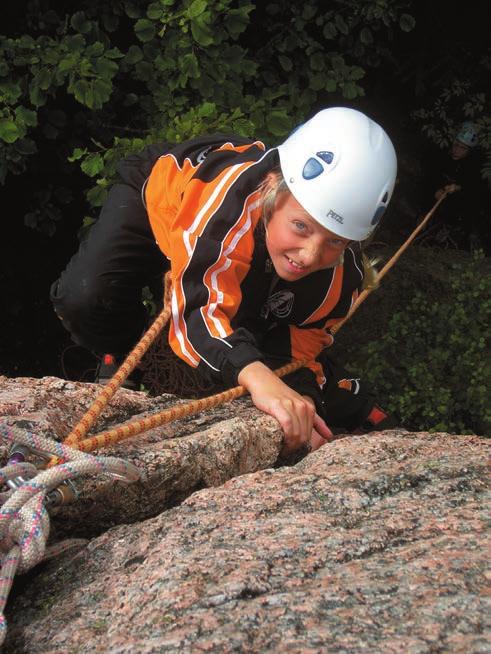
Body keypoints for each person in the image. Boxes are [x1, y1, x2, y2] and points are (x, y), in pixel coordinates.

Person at [50, 107, 398, 455]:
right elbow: (198, 310)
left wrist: (299, 394)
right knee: (85, 296)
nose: (309, 255)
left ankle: (334, 392)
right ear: (273, 187)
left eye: (335, 240)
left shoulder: (340, 277)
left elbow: (301, 342)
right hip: (162, 196)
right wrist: (256, 375)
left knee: (253, 321)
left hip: (237, 233)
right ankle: (119, 348)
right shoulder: (229, 210)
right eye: (301, 227)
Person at [428, 121, 489, 250]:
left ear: (470, 150)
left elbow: (476, 187)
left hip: (461, 206)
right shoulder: (442, 156)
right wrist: (436, 190)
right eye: (456, 145)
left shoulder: (474, 164)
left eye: (463, 148)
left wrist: (458, 187)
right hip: (440, 200)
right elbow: (432, 175)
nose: (457, 150)